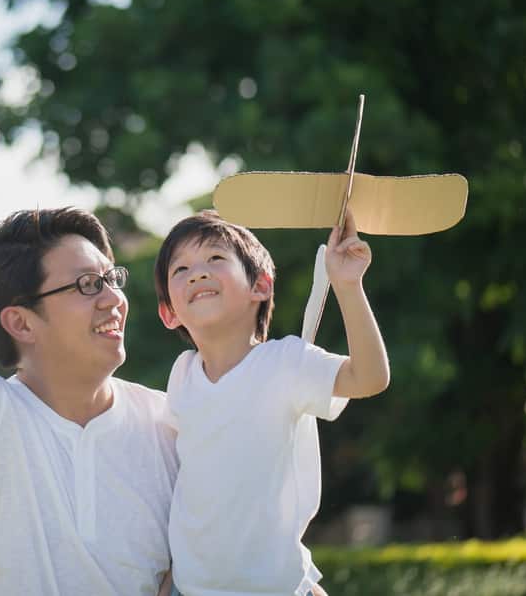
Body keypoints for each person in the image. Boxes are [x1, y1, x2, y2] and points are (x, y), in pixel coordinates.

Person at [0, 50, 178, 595]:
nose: (113, 299)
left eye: (112, 279)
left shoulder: (172, 423)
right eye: (88, 285)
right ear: (20, 322)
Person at [153, 209, 391, 596]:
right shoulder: (181, 375)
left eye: (215, 259)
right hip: (190, 588)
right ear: (168, 313)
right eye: (180, 269)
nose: (197, 272)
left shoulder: (286, 363)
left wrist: (348, 286)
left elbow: (370, 378)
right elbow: (189, 489)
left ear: (260, 286)